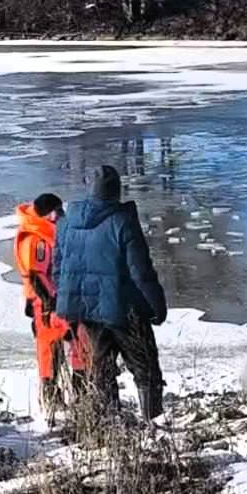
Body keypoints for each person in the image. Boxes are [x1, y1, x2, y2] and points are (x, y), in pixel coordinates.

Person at [54, 165, 167, 421]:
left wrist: (65, 302)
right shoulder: (122, 221)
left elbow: (58, 268)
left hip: (88, 310)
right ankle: (153, 423)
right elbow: (141, 271)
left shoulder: (66, 223)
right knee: (146, 368)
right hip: (123, 310)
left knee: (102, 368)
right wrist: (156, 307)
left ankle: (110, 424)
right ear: (116, 190)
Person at [14, 194, 87, 421]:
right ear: (50, 213)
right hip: (46, 304)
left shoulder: (42, 232)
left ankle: (79, 394)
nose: (62, 215)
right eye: (59, 211)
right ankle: (54, 399)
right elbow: (36, 276)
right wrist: (49, 304)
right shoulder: (36, 239)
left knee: (77, 343)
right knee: (52, 352)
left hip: (56, 300)